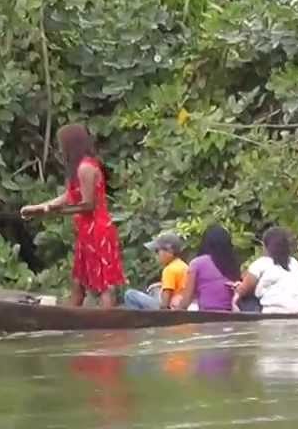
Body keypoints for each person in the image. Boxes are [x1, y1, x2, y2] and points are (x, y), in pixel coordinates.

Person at [21, 124, 125, 307]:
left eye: (61, 145)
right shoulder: (79, 167)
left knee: (104, 285)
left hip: (98, 231)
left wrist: (59, 211)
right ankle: (70, 320)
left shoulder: (85, 167)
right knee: (78, 281)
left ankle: (110, 326)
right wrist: (41, 207)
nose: (60, 149)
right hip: (86, 231)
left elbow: (88, 205)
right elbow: (70, 195)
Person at [234, 227, 298, 313]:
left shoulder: (261, 263)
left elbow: (244, 290)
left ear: (265, 247)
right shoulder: (294, 263)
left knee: (245, 299)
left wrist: (237, 287)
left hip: (273, 313)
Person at [175, 225, 241, 312]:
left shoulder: (197, 263)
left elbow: (187, 299)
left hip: (206, 315)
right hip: (231, 314)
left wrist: (177, 313)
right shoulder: (233, 264)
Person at [124, 232, 187, 310]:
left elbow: (164, 304)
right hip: (180, 303)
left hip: (169, 310)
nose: (156, 255)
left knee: (130, 294)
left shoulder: (169, 270)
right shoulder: (183, 265)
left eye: (157, 251)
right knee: (155, 289)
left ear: (169, 251)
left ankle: (137, 320)